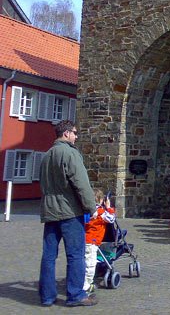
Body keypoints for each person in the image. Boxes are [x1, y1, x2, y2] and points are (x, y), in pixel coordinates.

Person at [39, 120, 98, 307]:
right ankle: (75, 295)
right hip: (69, 211)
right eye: (74, 132)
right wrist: (91, 207)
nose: (76, 136)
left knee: (48, 256)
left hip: (50, 211)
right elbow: (81, 184)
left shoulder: (47, 155)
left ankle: (47, 296)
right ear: (66, 133)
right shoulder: (70, 154)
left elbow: (43, 183)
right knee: (75, 254)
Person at [84, 189, 115, 295]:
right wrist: (109, 207)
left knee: (83, 261)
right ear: (101, 200)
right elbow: (111, 219)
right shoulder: (101, 213)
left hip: (83, 240)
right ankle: (86, 286)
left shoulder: (85, 211)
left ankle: (79, 282)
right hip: (92, 241)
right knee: (90, 264)